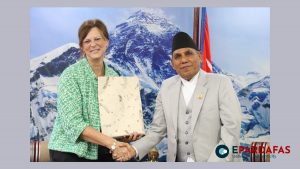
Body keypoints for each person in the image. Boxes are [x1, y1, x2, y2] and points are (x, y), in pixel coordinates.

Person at [113, 32, 242, 162]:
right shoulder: (166, 87)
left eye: (188, 53)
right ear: (172, 64)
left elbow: (231, 134)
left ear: (200, 56)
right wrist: (134, 149)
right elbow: (157, 130)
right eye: (178, 56)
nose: (184, 60)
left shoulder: (221, 83)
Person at [48, 19, 143, 162]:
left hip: (104, 148)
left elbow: (113, 123)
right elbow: (74, 125)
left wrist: (125, 134)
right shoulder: (70, 75)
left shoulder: (114, 76)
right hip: (69, 149)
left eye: (98, 39)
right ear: (82, 47)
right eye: (87, 41)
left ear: (107, 42)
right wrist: (113, 144)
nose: (93, 44)